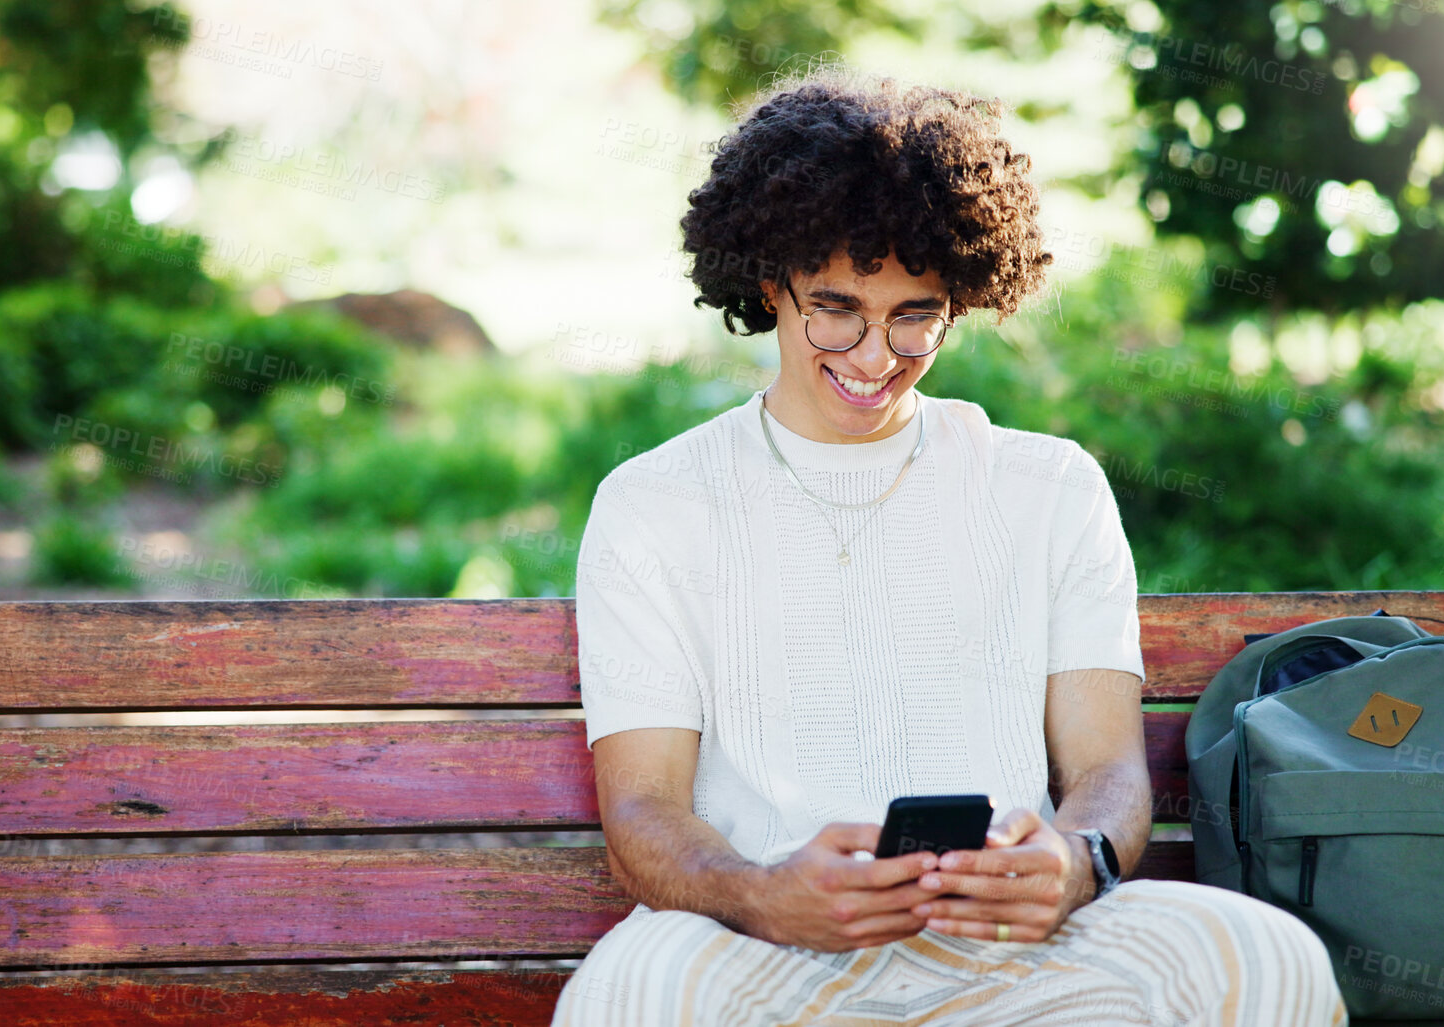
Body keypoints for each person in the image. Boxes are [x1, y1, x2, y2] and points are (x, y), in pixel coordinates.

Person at [552, 69, 1347, 1027]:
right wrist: (765, 892)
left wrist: (1074, 859)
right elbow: (641, 814)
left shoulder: (1050, 488)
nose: (875, 355)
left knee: (1266, 960)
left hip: (1015, 946)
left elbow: (1105, 772)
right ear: (769, 283)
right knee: (627, 995)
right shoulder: (653, 503)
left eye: (914, 314)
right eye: (836, 307)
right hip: (759, 942)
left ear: (961, 297)